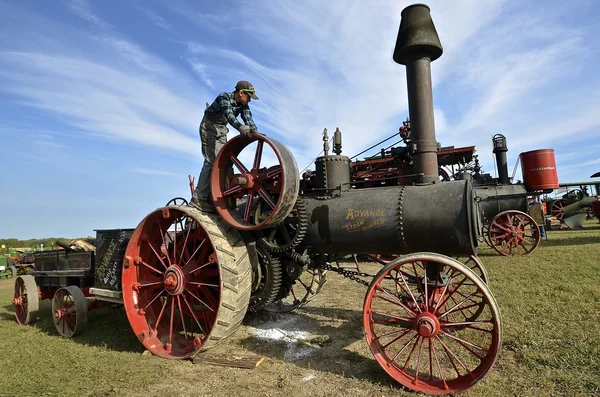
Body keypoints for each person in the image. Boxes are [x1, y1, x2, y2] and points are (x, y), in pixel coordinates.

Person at [191, 81, 260, 212]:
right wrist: (240, 127)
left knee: (223, 162)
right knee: (211, 162)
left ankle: (215, 197)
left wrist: (255, 132)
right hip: (209, 127)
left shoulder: (243, 104)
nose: (250, 100)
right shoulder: (224, 97)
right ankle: (198, 198)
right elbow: (229, 116)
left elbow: (248, 118)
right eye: (249, 97)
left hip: (221, 130)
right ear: (241, 93)